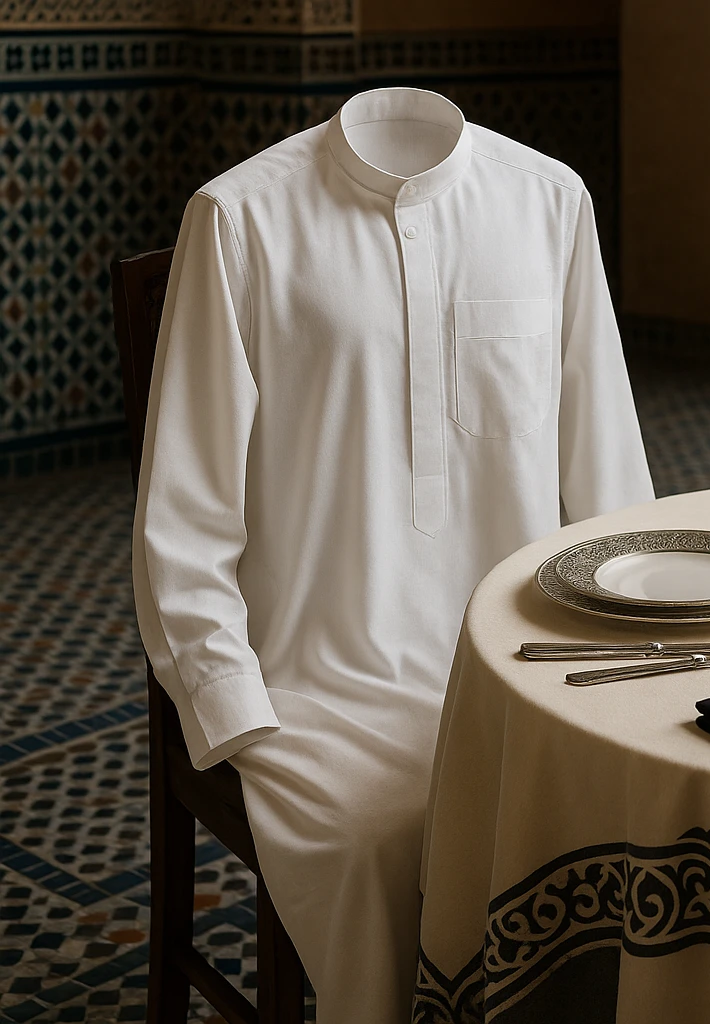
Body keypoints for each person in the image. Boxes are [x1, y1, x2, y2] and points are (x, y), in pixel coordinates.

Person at [132, 86, 653, 1022]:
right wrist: (232, 708)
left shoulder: (549, 201)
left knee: (649, 818)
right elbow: (184, 515)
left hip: (532, 674)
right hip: (313, 689)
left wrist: (643, 664)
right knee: (376, 848)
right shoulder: (240, 217)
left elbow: (609, 480)